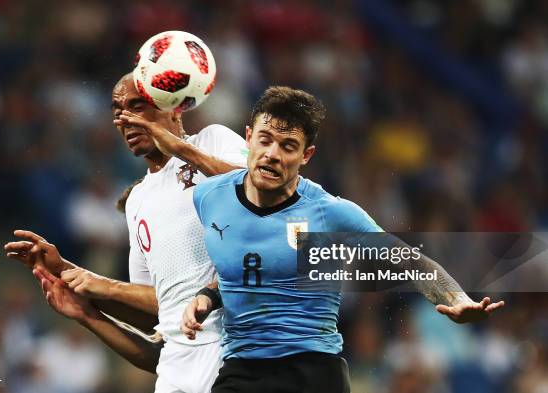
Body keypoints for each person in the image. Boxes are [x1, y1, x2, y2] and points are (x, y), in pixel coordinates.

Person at [181, 86, 506, 393]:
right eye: (265, 140)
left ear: (306, 155)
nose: (272, 154)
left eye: (288, 146)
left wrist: (457, 299)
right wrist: (204, 299)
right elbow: (241, 270)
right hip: (241, 369)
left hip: (312, 371)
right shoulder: (209, 197)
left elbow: (410, 260)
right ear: (249, 138)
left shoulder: (329, 213)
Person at [5, 72, 247, 392]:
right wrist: (76, 292)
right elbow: (159, 320)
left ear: (173, 106)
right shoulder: (137, 201)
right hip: (176, 377)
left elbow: (261, 195)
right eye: (118, 111)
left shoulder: (211, 141)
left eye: (137, 106)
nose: (125, 118)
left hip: (235, 356)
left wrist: (103, 287)